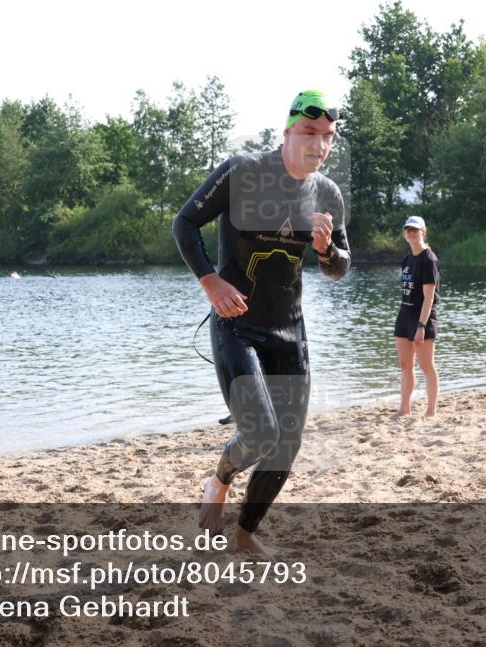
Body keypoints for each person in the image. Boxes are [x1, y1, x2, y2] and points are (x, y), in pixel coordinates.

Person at [172, 90, 351, 555]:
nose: (319, 144)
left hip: (290, 331)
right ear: (287, 131)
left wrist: (326, 251)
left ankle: (245, 534)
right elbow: (184, 223)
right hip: (237, 325)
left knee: (287, 443)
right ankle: (219, 480)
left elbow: (340, 267)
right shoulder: (243, 172)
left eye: (328, 136)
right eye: (309, 132)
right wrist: (210, 281)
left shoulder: (327, 193)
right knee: (260, 433)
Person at [394, 216, 440, 417]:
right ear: (405, 234)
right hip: (404, 315)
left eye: (415, 229)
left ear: (423, 232)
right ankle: (404, 408)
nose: (411, 233)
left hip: (422, 318)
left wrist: (421, 326)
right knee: (405, 365)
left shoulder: (428, 260)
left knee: (426, 365)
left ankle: (431, 411)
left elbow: (429, 298)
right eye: (408, 230)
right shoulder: (406, 260)